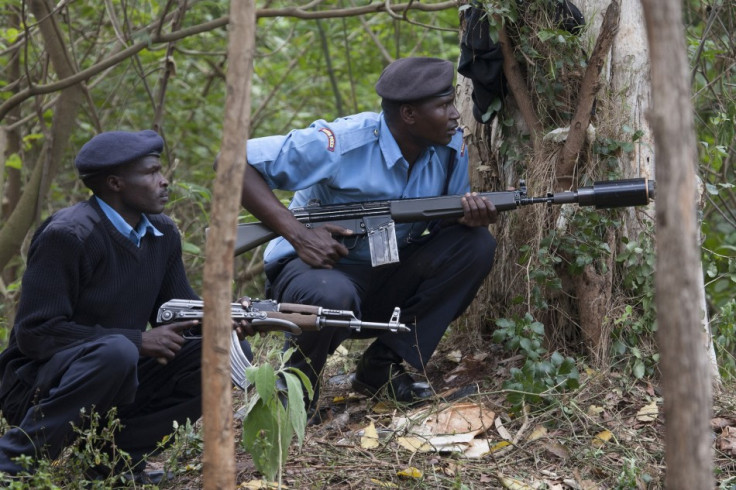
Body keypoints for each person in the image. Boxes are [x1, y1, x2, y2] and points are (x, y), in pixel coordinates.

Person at [240, 57, 498, 414]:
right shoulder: (342, 142)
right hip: (320, 273)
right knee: (332, 291)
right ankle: (296, 387)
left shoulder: (451, 149)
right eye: (443, 106)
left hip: (385, 274)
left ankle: (380, 367)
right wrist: (299, 235)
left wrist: (470, 220)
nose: (456, 114)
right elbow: (234, 164)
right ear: (409, 114)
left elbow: (445, 231)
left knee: (475, 245)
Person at [0, 130, 252, 483]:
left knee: (223, 350)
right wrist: (137, 341)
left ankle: (114, 463)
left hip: (115, 374)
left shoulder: (161, 233)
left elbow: (179, 311)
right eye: (151, 173)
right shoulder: (68, 235)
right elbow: (35, 334)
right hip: (36, 386)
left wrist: (229, 318)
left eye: (159, 171)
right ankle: (11, 467)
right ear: (116, 183)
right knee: (117, 351)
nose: (164, 181)